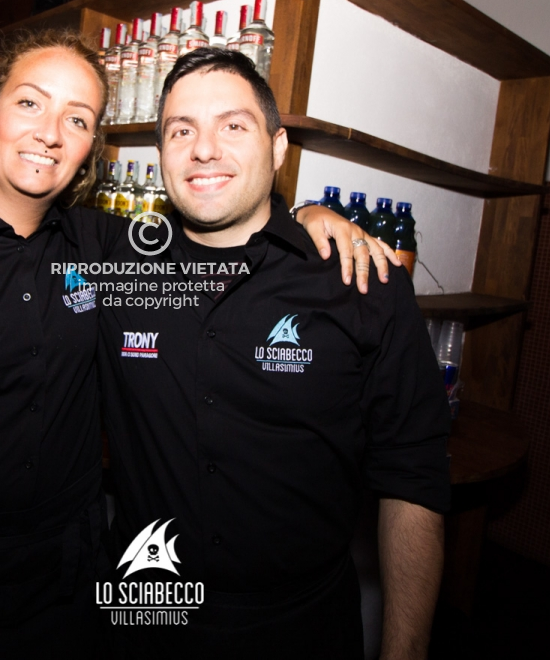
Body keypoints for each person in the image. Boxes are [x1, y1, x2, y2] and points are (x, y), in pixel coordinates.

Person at [0, 31, 390, 658]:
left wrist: (308, 216)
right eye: (30, 103)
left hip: (65, 598)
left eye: (76, 119)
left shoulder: (106, 246)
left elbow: (228, 216)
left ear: (88, 149)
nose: (50, 133)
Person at [97, 47, 450, 658]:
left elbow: (414, 481)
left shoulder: (361, 284)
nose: (204, 150)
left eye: (233, 126)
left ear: (278, 147)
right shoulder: (115, 268)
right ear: (161, 154)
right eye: (182, 131)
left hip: (301, 627)